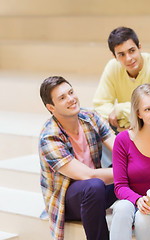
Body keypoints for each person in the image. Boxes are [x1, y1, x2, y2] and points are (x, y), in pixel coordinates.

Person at [38, 76, 116, 240]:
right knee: (94, 185)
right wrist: (130, 171)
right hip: (67, 201)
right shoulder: (49, 138)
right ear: (51, 107)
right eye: (62, 97)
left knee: (129, 168)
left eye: (71, 92)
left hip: (96, 191)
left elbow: (118, 147)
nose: (71, 99)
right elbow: (89, 175)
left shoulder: (90, 117)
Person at [110, 84, 150, 240]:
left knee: (144, 216)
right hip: (132, 202)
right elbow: (120, 186)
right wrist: (138, 200)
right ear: (138, 113)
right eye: (148, 109)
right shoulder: (123, 140)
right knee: (123, 207)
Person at [93, 26, 150, 132]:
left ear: (139, 47)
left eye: (131, 51)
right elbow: (99, 105)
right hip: (125, 127)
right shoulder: (112, 67)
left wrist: (119, 110)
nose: (128, 58)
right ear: (115, 56)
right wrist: (125, 123)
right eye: (121, 54)